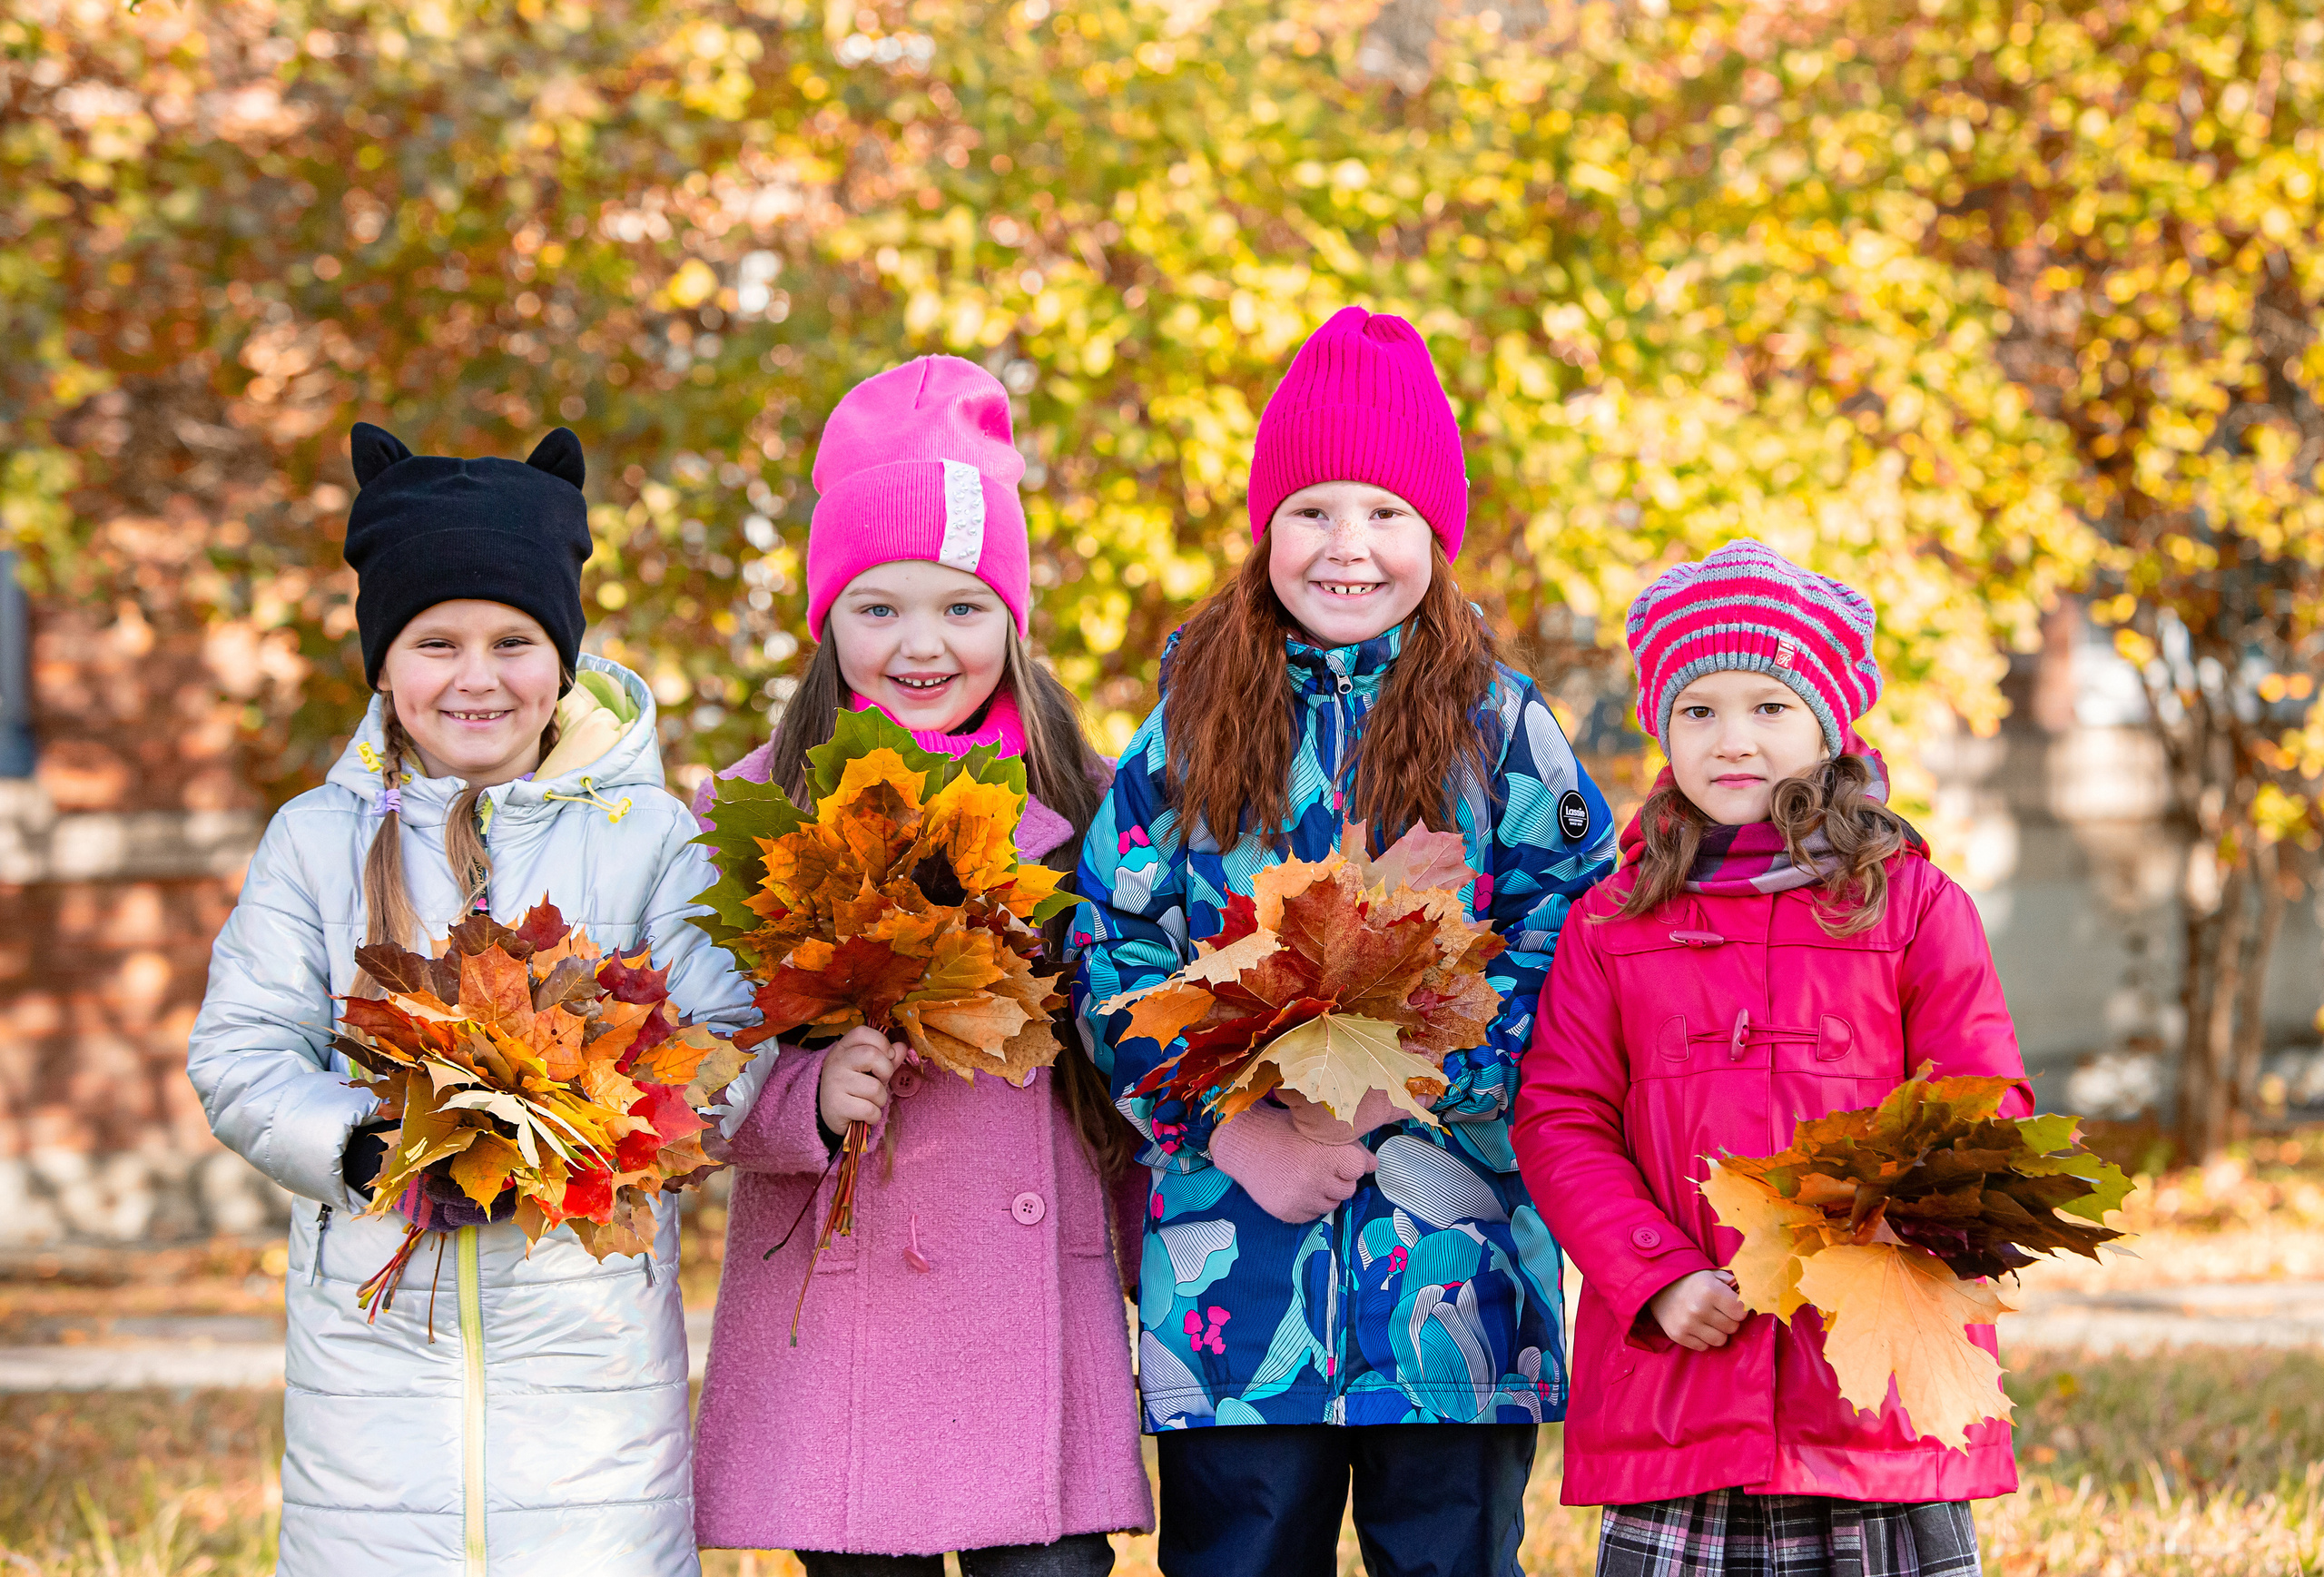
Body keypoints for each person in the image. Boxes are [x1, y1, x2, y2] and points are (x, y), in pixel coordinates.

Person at [1074, 306, 1618, 1577]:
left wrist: (1389, 1093)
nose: (1349, 548)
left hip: (1456, 1271)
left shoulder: (1503, 730)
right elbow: (1114, 949)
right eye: (1312, 511)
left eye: (1387, 514)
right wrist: (1231, 1132)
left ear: (1438, 532)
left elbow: (1569, 940)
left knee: (1446, 1555)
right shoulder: (1188, 733)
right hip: (1235, 1280)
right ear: (1267, 529)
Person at [187, 424, 754, 1575]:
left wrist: (591, 1132)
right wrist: (365, 1147)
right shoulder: (317, 841)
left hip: (589, 1350)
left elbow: (722, 1046)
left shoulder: (647, 838)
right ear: (384, 665)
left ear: (564, 657)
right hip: (373, 1342)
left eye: (513, 640)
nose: (477, 676)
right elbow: (242, 1050)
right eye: (435, 641)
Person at [690, 356, 1153, 1576]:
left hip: (1027, 1315)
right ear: (825, 618)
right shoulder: (749, 810)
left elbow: (1126, 1055)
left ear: (1012, 617)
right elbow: (689, 1058)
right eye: (877, 607)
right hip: (848, 1309)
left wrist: (1170, 1275)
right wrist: (801, 1099)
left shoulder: (1089, 810)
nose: (921, 643)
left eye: (961, 606)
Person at [1511, 539, 2027, 1577]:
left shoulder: (1913, 905)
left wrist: (1893, 1228)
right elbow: (1561, 1120)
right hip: (1685, 1366)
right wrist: (1651, 1278)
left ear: (1828, 727)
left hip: (1867, 1383)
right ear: (1662, 726)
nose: (1732, 740)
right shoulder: (1612, 923)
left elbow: (1981, 1104)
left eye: (1769, 708)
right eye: (1698, 710)